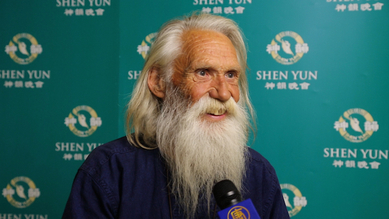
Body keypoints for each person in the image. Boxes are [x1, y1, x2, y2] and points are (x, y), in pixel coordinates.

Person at [62, 13, 289, 219]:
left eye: (231, 75)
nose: (223, 92)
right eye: (203, 72)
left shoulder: (260, 174)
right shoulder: (110, 170)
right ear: (159, 82)